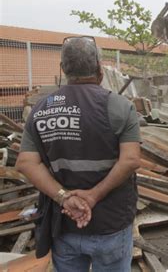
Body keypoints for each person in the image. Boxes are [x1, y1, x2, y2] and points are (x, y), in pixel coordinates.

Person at [15, 36, 141, 272]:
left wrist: (64, 197)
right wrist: (93, 195)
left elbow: (25, 163)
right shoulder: (120, 107)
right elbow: (131, 160)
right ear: (99, 68)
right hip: (111, 226)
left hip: (65, 224)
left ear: (63, 70)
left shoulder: (41, 110)